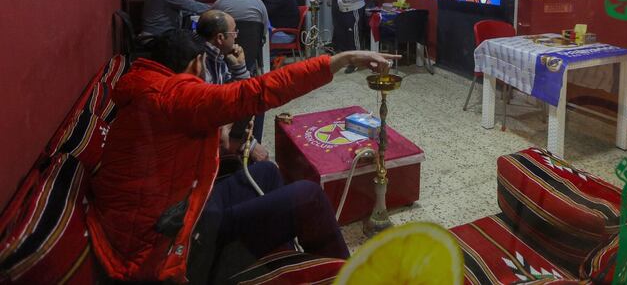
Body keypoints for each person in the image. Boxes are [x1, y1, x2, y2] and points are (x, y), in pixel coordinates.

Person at [87, 29, 396, 283]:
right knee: (309, 197)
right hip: (167, 242)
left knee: (267, 171)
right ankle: (354, 278)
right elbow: (257, 92)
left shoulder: (149, 85)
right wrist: (341, 59)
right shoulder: (174, 97)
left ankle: (297, 261)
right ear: (196, 65)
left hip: (174, 208)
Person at [196, 9, 269, 164]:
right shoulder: (201, 65)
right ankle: (245, 155)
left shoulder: (218, 56)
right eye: (234, 31)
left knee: (257, 100)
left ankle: (247, 153)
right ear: (221, 38)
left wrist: (239, 67)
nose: (237, 35)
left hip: (221, 120)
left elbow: (239, 90)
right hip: (209, 134)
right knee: (257, 100)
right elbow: (210, 114)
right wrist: (243, 143)